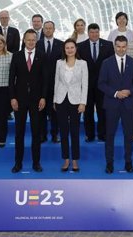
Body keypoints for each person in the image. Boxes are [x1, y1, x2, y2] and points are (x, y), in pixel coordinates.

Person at [98, 36, 133, 174]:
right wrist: (116, 93)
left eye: (123, 46)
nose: (121, 49)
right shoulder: (106, 63)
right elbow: (101, 83)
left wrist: (129, 91)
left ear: (127, 46)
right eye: (118, 46)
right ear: (114, 46)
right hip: (112, 104)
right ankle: (109, 163)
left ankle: (128, 162)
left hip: (128, 104)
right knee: (109, 135)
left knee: (128, 135)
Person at [9, 30, 46, 173]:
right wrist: (12, 97)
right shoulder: (17, 56)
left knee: (36, 132)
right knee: (19, 132)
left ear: (36, 41)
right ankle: (18, 163)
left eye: (33, 39)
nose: (31, 42)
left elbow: (45, 79)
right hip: (20, 100)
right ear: (24, 40)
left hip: (37, 100)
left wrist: (43, 97)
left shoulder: (42, 56)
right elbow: (11, 79)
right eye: (28, 39)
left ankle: (36, 162)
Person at [54, 39, 88, 172]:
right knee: (63, 131)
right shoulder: (59, 63)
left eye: (72, 47)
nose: (69, 50)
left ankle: (75, 160)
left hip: (76, 101)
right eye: (67, 47)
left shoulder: (82, 64)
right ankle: (66, 159)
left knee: (74, 131)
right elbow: (56, 82)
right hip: (61, 100)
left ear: (76, 48)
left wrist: (83, 102)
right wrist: (54, 100)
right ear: (64, 49)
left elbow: (85, 84)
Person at [77, 23, 114, 142]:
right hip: (86, 85)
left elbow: (111, 65)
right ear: (88, 33)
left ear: (99, 32)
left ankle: (102, 134)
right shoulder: (80, 46)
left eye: (96, 32)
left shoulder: (108, 45)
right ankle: (90, 135)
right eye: (92, 32)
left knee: (102, 110)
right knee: (87, 111)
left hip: (103, 85)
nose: (94, 34)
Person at [38, 20, 63, 143]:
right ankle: (42, 134)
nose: (48, 30)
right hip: (40, 83)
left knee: (55, 110)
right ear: (43, 30)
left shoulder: (61, 44)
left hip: (56, 83)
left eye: (50, 28)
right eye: (46, 28)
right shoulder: (36, 44)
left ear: (54, 29)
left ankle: (55, 134)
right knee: (41, 110)